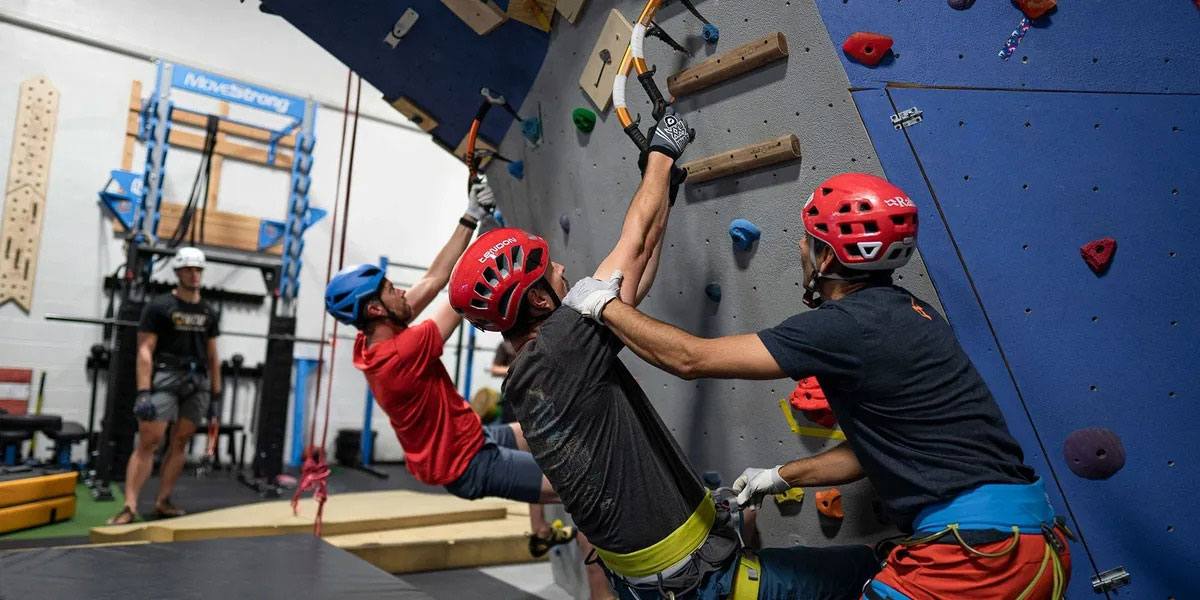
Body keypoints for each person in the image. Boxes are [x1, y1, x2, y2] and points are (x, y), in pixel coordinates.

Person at [563, 172, 1074, 600]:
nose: (802, 251)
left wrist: (603, 305)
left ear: (826, 260)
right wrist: (784, 475)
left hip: (973, 559)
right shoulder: (915, 315)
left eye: (807, 241)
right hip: (1034, 548)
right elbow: (882, 450)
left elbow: (690, 359)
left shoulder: (842, 326)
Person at [449, 110, 879, 600]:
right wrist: (662, 150)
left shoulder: (533, 369)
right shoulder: (563, 345)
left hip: (652, 579)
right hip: (695, 579)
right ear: (542, 301)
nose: (563, 266)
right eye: (550, 269)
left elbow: (630, 286)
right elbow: (629, 249)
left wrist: (664, 191)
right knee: (868, 570)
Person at [325, 180, 612, 598]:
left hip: (468, 438)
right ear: (375, 308)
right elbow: (462, 298)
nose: (400, 290)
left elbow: (433, 279)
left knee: (539, 435)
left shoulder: (372, 343)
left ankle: (540, 528)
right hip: (469, 462)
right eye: (390, 289)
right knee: (586, 489)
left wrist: (471, 217)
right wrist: (492, 252)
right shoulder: (403, 353)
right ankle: (602, 592)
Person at [108, 246, 221, 524]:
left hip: (197, 382)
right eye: (189, 269)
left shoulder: (208, 310)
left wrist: (216, 395)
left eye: (198, 270)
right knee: (150, 440)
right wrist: (144, 391)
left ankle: (163, 500)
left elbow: (213, 355)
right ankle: (130, 506)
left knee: (181, 441)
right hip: (166, 377)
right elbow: (145, 350)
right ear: (178, 272)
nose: (194, 275)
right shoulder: (159, 306)